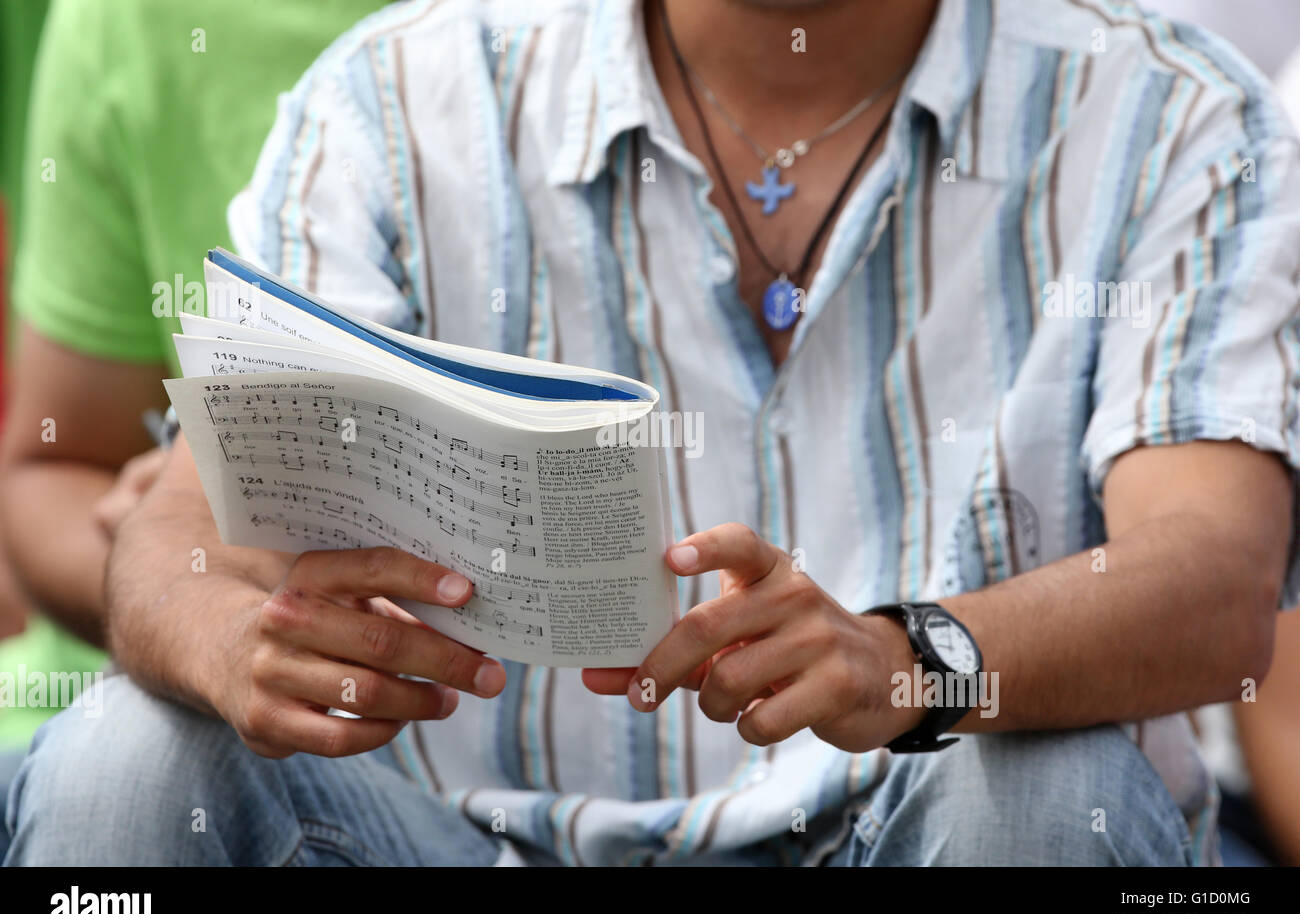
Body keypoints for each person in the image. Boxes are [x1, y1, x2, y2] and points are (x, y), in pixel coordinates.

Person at [6, 0, 1299, 867]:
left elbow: (1211, 586)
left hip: (916, 829)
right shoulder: (400, 99)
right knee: (129, 752)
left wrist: (905, 664)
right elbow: (178, 523)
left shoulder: (1169, 116)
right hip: (458, 841)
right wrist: (237, 645)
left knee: (1033, 788)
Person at [0, 0, 388, 860]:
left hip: (487, 772)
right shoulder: (126, 23)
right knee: (129, 761)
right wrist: (195, 588)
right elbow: (55, 467)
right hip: (108, 703)